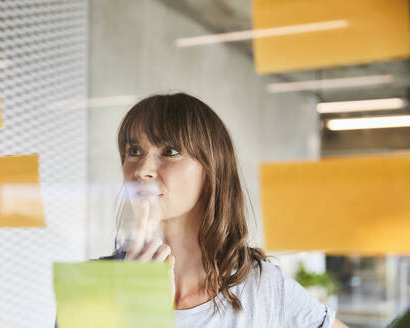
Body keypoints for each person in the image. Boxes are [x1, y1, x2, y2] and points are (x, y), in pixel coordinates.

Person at [104, 92, 349, 327]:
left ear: (212, 171)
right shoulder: (93, 286)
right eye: (134, 151)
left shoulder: (264, 290)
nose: (142, 169)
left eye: (170, 151)